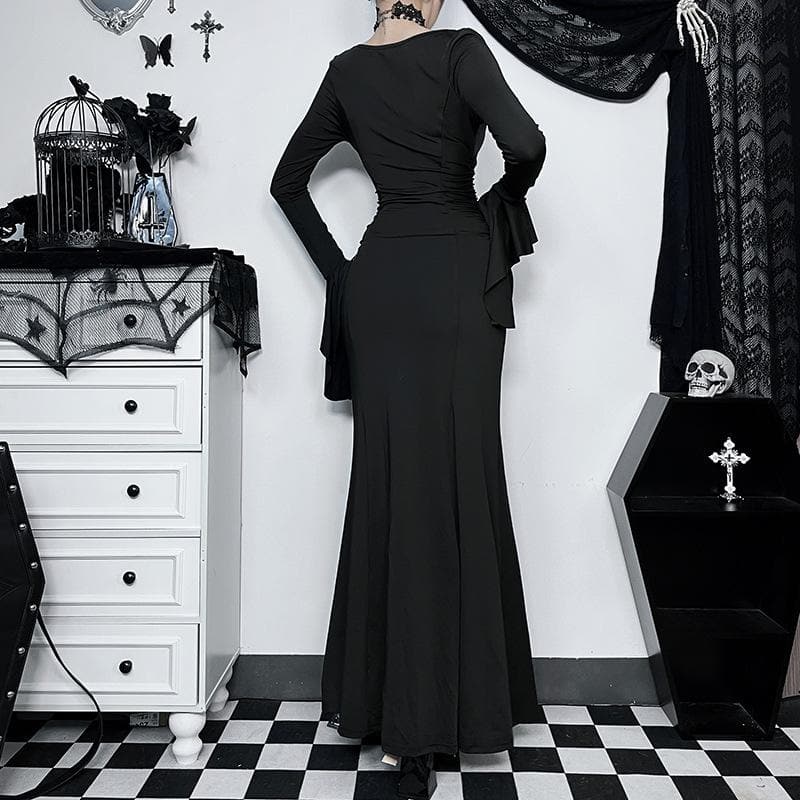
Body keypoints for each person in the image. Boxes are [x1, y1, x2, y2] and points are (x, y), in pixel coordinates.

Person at [270, 1, 546, 797]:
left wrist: (344, 275)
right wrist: (499, 203)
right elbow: (527, 145)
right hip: (459, 275)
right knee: (460, 477)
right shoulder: (460, 50)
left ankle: (394, 720)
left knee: (391, 485)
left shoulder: (347, 71)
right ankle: (461, 713)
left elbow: (286, 184)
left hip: (383, 281)